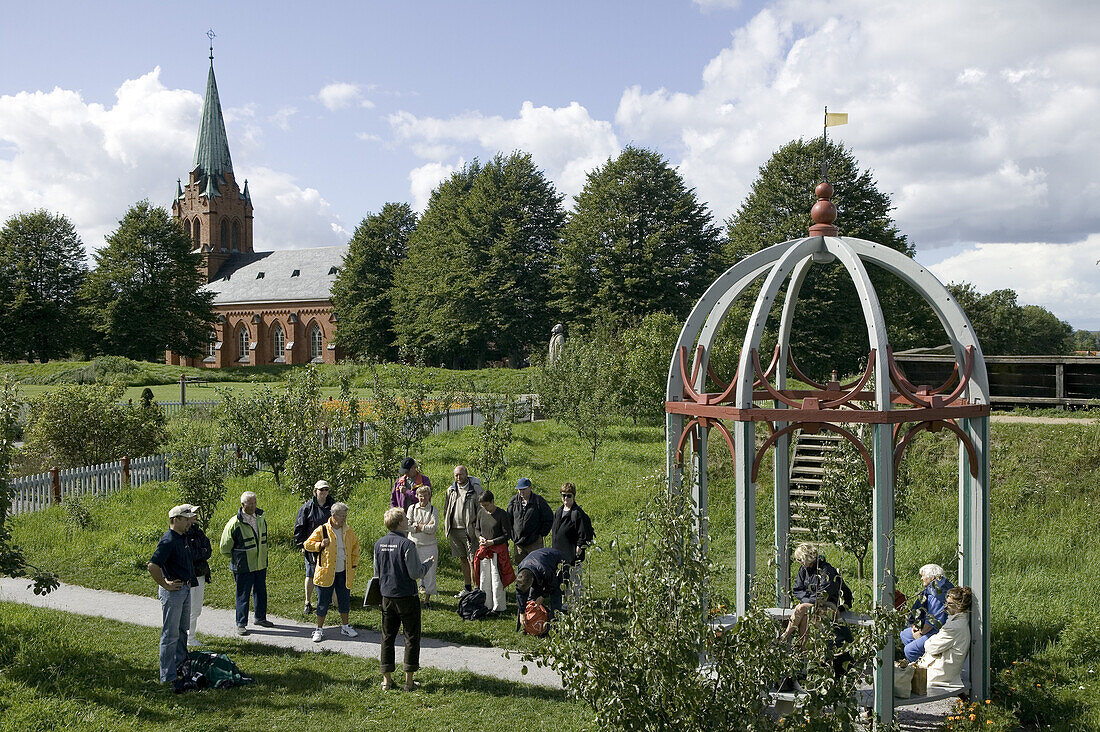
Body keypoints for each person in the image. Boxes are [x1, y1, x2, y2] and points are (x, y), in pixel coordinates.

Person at [374, 507, 435, 692]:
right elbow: (415, 573)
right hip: (407, 596)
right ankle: (409, 681)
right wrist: (428, 564)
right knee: (411, 636)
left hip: (387, 596)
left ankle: (387, 680)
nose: (409, 521)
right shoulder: (407, 545)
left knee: (387, 637)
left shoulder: (379, 543)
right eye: (406, 519)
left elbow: (377, 572)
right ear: (400, 523)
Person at [147, 504, 196, 689]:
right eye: (185, 519)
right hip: (173, 592)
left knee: (183, 630)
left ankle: (182, 667)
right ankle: (167, 675)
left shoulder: (183, 537)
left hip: (185, 589)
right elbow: (153, 566)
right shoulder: (168, 540)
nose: (188, 523)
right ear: (175, 520)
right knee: (170, 634)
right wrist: (165, 584)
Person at [303, 502, 360, 642]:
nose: (344, 519)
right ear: (333, 515)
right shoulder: (322, 530)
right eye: (341, 516)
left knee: (344, 600)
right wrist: (320, 544)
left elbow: (355, 548)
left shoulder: (348, 530)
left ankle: (345, 626)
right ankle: (319, 629)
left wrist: (353, 564)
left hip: (343, 572)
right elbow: (307, 544)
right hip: (326, 573)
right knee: (323, 602)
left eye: (345, 516)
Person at [219, 491, 272, 636]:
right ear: (243, 505)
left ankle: (260, 618)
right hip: (243, 565)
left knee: (261, 591)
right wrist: (238, 557)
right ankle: (241, 623)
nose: (254, 506)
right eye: (250, 503)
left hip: (260, 564)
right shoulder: (234, 523)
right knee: (243, 595)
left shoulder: (261, 518)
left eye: (255, 502)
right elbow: (224, 547)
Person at [778, 543, 852, 646]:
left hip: (830, 606)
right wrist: (808, 599)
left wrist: (807, 601)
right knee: (804, 617)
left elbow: (824, 593)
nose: (799, 563)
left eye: (800, 560)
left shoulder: (826, 569)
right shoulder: (803, 570)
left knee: (801, 608)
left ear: (806, 558)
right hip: (812, 605)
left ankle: (785, 636)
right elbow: (797, 589)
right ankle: (802, 650)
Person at [916, 585, 973, 690]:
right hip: (945, 669)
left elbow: (931, 647)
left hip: (941, 673)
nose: (946, 606)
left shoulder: (954, 626)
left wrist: (930, 641)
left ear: (960, 605)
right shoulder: (958, 620)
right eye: (946, 603)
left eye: (950, 604)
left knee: (899, 678)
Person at [294, 480, 335, 616]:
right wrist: (302, 545)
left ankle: (328, 599)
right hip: (312, 546)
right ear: (315, 491)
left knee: (329, 571)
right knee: (310, 573)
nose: (323, 492)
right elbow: (299, 528)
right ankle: (308, 602)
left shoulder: (333, 506)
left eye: (326, 490)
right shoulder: (307, 507)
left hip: (329, 546)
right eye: (321, 490)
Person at [900, 563, 955, 663]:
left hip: (938, 631)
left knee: (909, 650)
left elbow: (933, 622)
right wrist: (915, 627)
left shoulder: (937, 594)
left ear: (932, 577)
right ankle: (925, 657)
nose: (921, 578)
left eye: (923, 575)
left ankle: (922, 670)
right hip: (929, 628)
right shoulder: (935, 588)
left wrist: (920, 633)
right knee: (904, 634)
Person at [551, 483, 594, 605]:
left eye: (568, 496)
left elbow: (583, 533)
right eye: (563, 495)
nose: (565, 499)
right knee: (563, 580)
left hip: (573, 555)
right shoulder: (559, 511)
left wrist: (579, 548)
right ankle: (565, 603)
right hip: (559, 554)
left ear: (573, 496)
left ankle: (576, 604)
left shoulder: (577, 513)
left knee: (575, 580)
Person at [443, 465, 483, 594]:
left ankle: (477, 588)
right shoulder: (451, 490)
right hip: (455, 530)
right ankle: (467, 587)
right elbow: (446, 509)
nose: (458, 477)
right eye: (456, 475)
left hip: (469, 531)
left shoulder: (475, 489)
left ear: (466, 474)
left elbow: (481, 510)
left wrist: (478, 529)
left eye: (461, 474)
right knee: (463, 559)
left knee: (473, 560)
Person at [474, 490, 514, 613]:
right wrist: (480, 537)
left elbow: (507, 535)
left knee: (497, 579)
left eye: (487, 505)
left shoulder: (502, 514)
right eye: (483, 506)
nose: (485, 508)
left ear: (492, 501)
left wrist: (493, 542)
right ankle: (486, 604)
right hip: (484, 550)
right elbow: (477, 529)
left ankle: (499, 607)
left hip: (497, 551)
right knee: (484, 578)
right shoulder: (481, 513)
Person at [514, 547, 566, 633]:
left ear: (532, 581)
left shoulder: (544, 571)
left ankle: (554, 627)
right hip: (538, 564)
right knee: (532, 598)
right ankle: (530, 626)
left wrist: (543, 596)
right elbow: (520, 593)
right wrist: (522, 613)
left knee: (556, 596)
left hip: (558, 562)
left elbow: (553, 584)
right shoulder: (521, 572)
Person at [182, 505, 213, 647]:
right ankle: (189, 638)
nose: (196, 516)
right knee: (191, 609)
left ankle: (190, 636)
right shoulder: (183, 534)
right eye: (193, 513)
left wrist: (201, 553)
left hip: (200, 573)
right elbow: (191, 554)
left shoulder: (197, 531)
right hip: (190, 575)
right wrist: (201, 553)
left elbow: (208, 549)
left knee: (197, 608)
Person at [507, 477, 554, 565]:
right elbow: (508, 519)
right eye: (519, 490)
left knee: (536, 565)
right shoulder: (514, 501)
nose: (521, 492)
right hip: (518, 543)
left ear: (530, 488)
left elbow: (549, 518)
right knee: (521, 567)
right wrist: (513, 535)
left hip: (534, 542)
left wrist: (541, 534)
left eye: (524, 489)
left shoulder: (538, 501)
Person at [406, 485, 439, 607]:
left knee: (430, 572)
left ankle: (427, 600)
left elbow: (433, 528)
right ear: (417, 496)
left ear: (429, 496)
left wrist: (417, 526)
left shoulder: (433, 510)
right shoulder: (412, 508)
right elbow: (407, 526)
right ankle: (411, 597)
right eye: (420, 495)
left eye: (425, 495)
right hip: (413, 544)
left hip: (429, 545)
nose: (423, 498)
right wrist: (423, 526)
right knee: (411, 571)